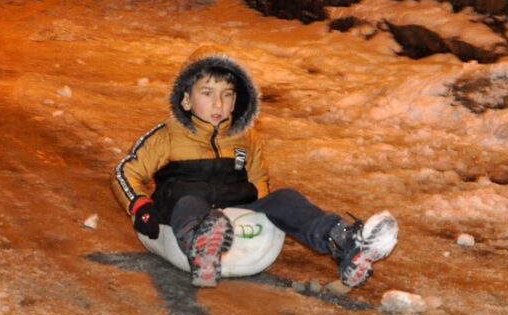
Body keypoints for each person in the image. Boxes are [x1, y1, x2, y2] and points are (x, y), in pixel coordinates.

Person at [112, 46, 398, 288]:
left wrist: (268, 212)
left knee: (285, 198)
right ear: (185, 99)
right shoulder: (167, 136)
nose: (218, 103)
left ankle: (345, 242)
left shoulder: (246, 138)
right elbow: (126, 172)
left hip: (232, 215)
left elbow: (259, 180)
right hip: (178, 213)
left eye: (226, 95)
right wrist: (140, 207)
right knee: (188, 200)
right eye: (207, 93)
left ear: (235, 100)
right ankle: (200, 243)